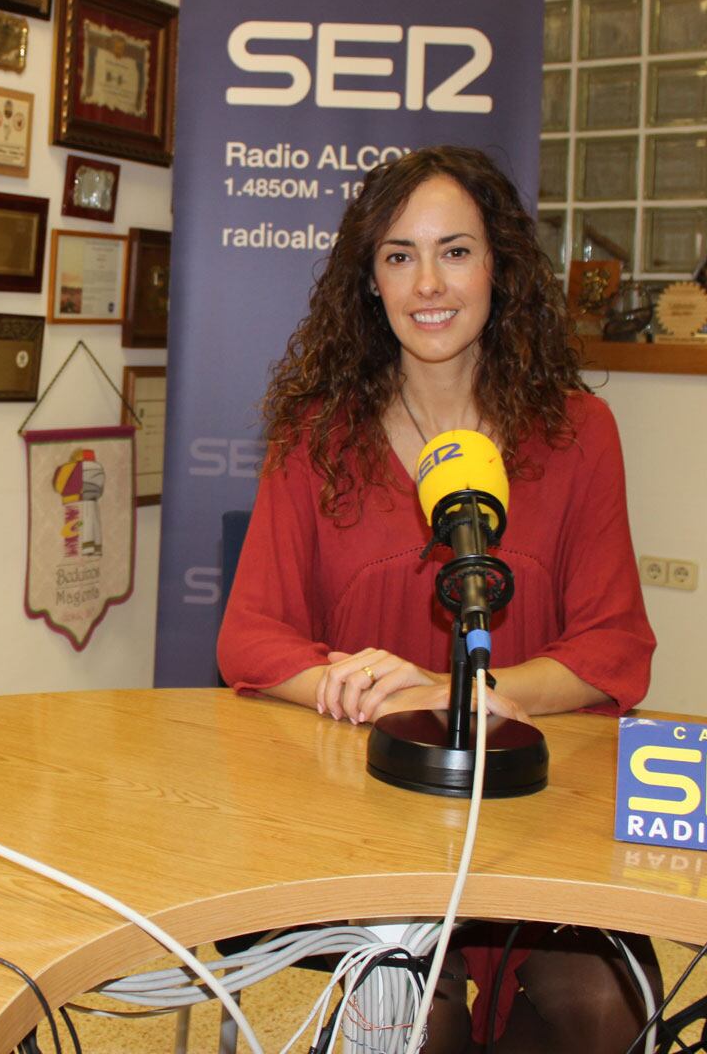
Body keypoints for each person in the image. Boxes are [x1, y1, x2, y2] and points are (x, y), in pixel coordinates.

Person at [217, 146, 658, 1053]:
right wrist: (370, 689)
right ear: (369, 281)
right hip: (367, 811)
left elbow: (615, 648)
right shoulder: (316, 438)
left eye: (455, 251)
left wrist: (478, 697)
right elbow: (251, 640)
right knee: (418, 1022)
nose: (429, 283)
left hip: (529, 810)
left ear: (500, 266)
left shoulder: (581, 435)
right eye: (398, 255)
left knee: (608, 1009)